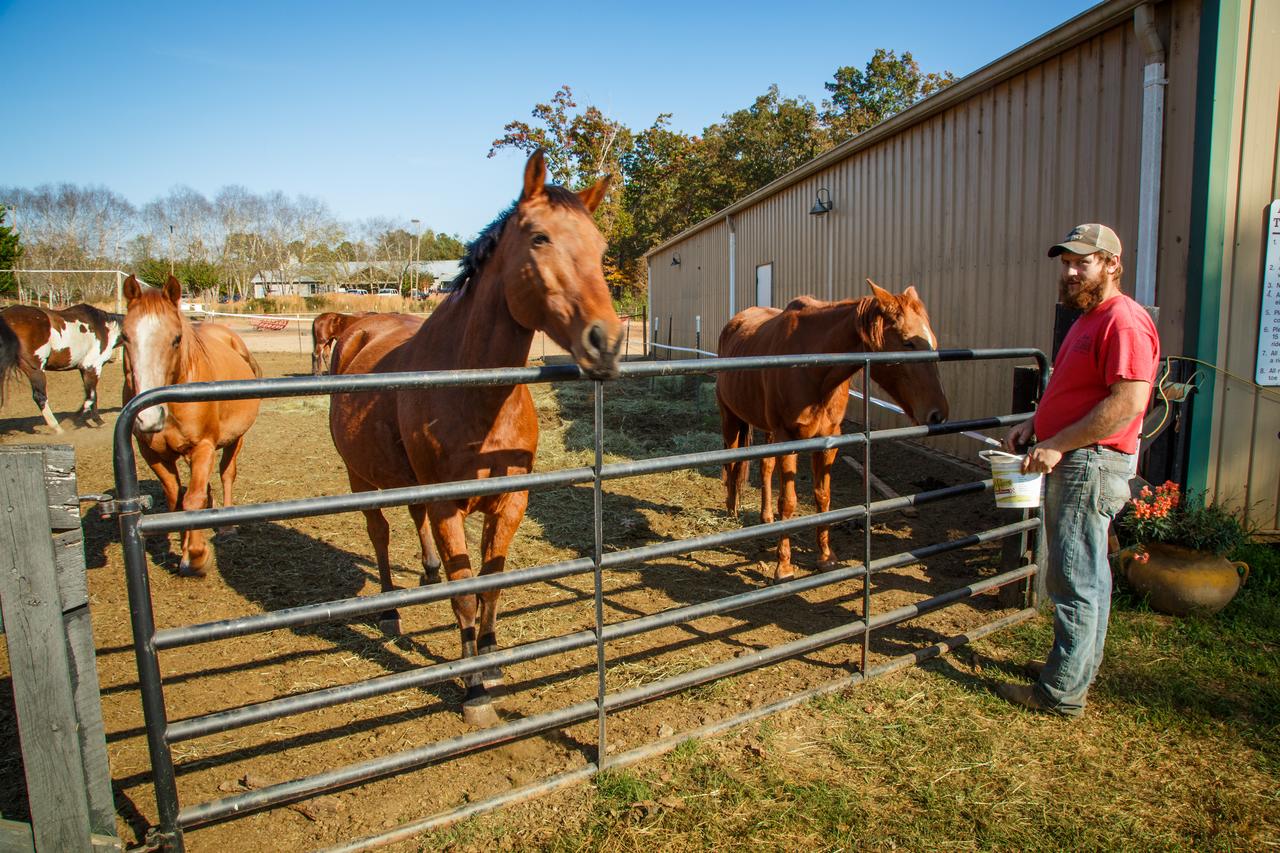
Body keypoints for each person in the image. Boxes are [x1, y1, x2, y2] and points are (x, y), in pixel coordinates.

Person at [998, 223, 1160, 717]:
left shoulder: (1123, 321)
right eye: (1065, 263)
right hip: (1076, 456)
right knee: (1087, 573)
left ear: (1112, 264)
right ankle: (1068, 669)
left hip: (1089, 462)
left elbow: (1129, 402)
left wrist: (1058, 444)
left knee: (1074, 576)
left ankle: (1060, 693)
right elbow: (1083, 392)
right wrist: (1036, 423)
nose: (1069, 272)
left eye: (1081, 262)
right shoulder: (1090, 319)